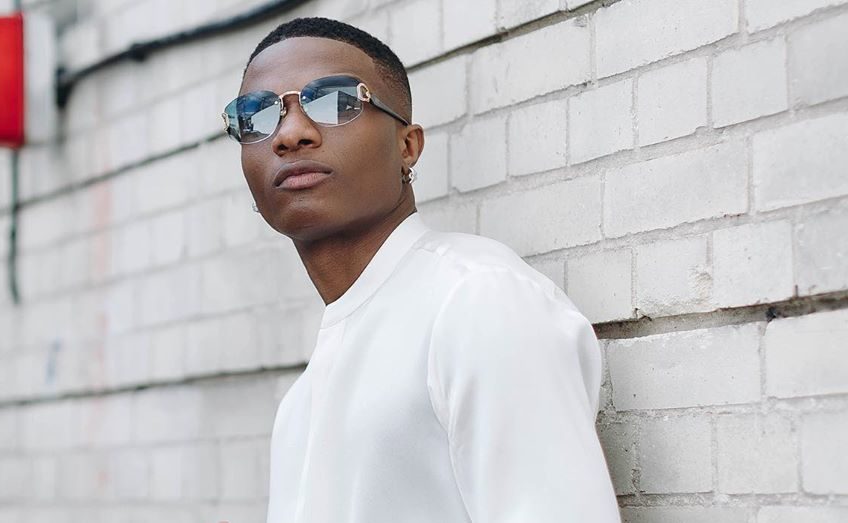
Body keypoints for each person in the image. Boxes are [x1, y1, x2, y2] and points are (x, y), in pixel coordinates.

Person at [221, 16, 622, 523]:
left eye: (336, 101)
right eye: (256, 115)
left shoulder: (477, 300)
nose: (290, 134)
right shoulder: (299, 405)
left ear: (406, 146)